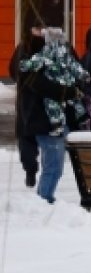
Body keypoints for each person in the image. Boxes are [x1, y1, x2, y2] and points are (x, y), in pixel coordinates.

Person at [18, 28, 89, 204]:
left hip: (53, 121)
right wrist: (71, 91)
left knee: (53, 166)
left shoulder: (50, 57)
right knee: (53, 167)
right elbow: (50, 89)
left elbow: (76, 72)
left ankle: (43, 199)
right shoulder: (36, 63)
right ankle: (44, 200)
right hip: (46, 123)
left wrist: (75, 86)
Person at [9, 23, 44, 187]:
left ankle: (31, 170)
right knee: (45, 136)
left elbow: (13, 70)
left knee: (26, 135)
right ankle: (42, 173)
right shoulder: (54, 49)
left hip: (27, 100)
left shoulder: (23, 48)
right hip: (46, 100)